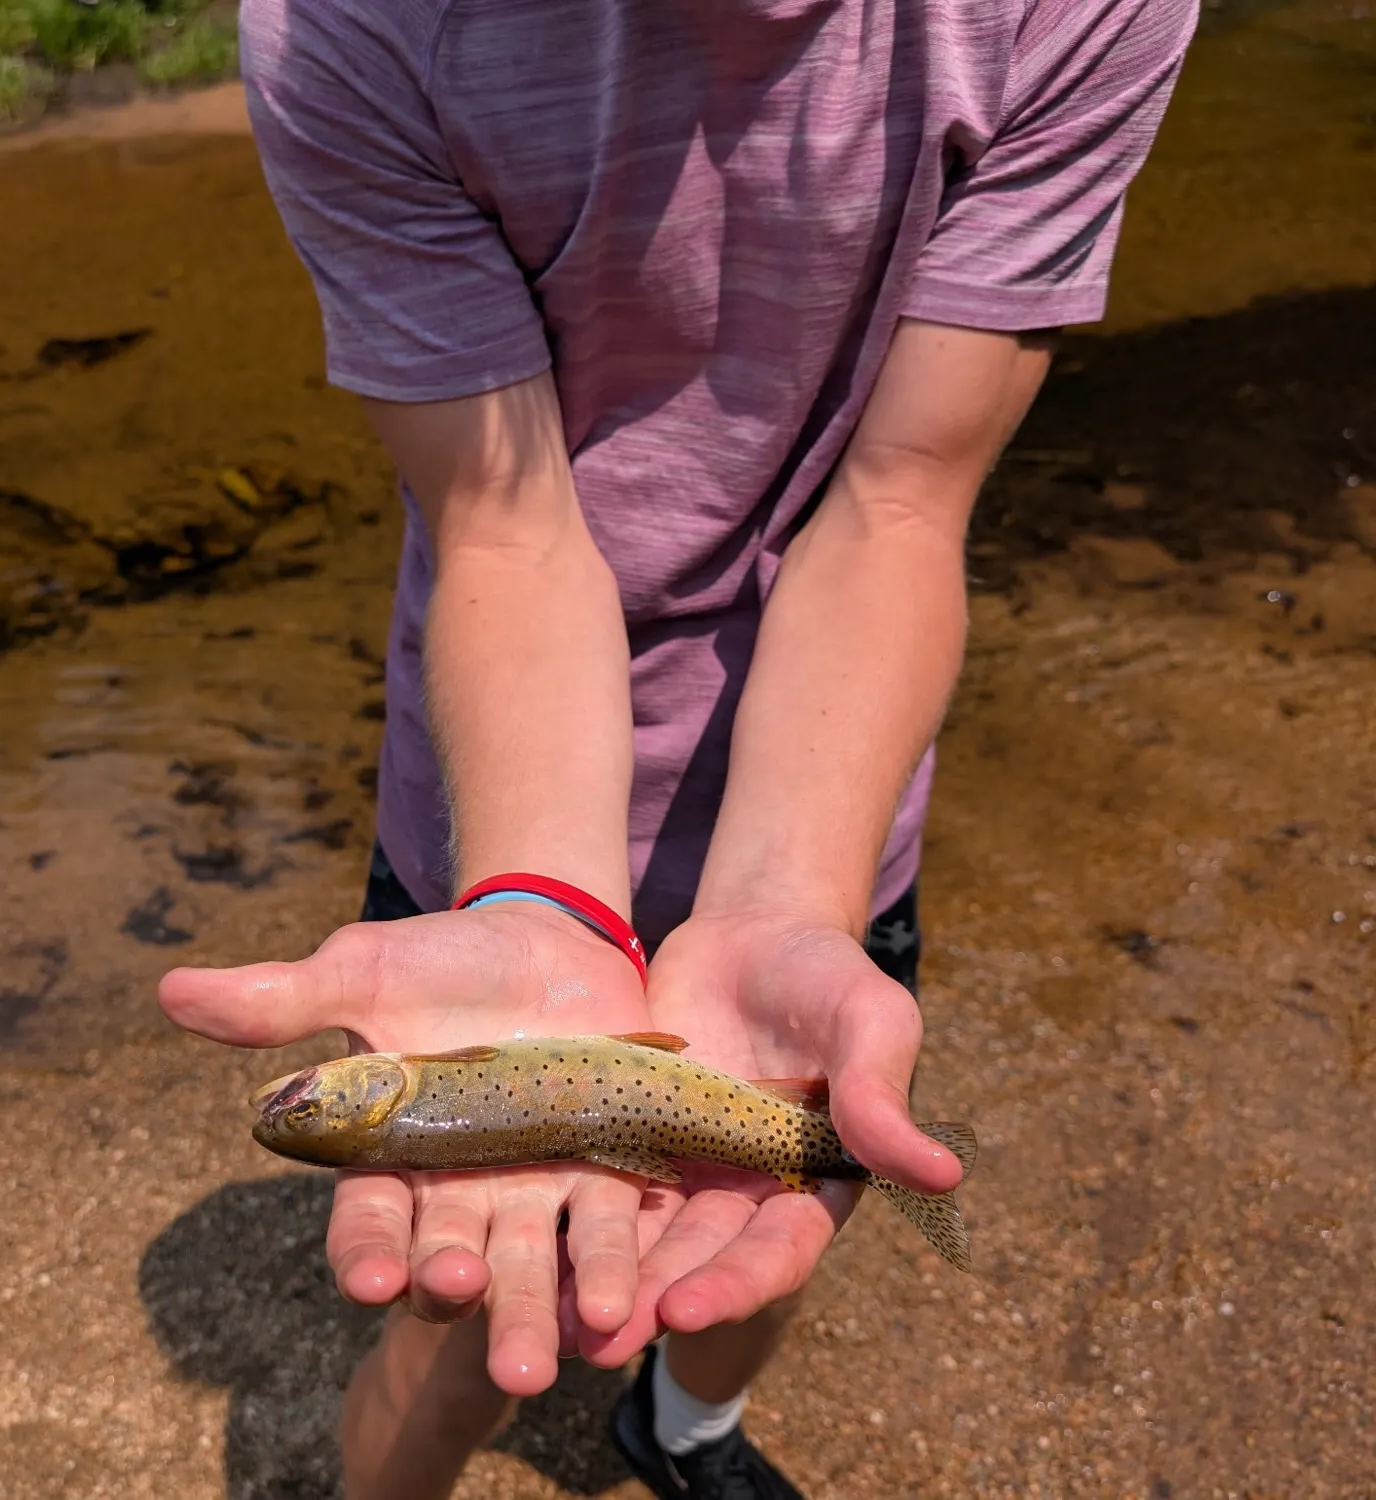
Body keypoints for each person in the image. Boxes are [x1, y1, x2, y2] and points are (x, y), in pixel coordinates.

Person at [159, 0, 1197, 1494]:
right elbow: (506, 536)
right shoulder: (347, 26)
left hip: (827, 818)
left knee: (753, 1251)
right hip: (492, 846)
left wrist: (791, 907)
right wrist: (539, 902)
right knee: (460, 1328)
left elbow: (900, 504)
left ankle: (685, 1426)